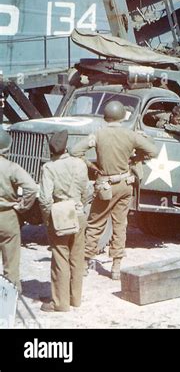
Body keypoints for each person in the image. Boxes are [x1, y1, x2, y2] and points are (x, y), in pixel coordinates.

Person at [73, 100, 158, 280]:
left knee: (95, 223)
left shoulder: (98, 134)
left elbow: (75, 151)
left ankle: (85, 263)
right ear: (122, 116)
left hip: (105, 186)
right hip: (125, 185)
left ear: (106, 117)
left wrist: (91, 166)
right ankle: (116, 267)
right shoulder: (130, 135)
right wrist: (135, 159)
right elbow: (153, 151)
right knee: (120, 225)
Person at [38, 130, 88, 312]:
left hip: (60, 215)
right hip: (78, 213)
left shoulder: (49, 168)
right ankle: (75, 298)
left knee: (60, 258)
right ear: (66, 147)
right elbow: (86, 191)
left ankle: (60, 302)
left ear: (51, 150)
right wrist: (79, 205)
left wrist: (47, 219)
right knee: (77, 257)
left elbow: (44, 199)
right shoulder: (80, 163)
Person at [0, 130, 37, 292]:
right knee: (11, 264)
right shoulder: (12, 168)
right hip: (7, 216)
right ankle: (10, 299)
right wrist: (22, 207)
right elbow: (31, 187)